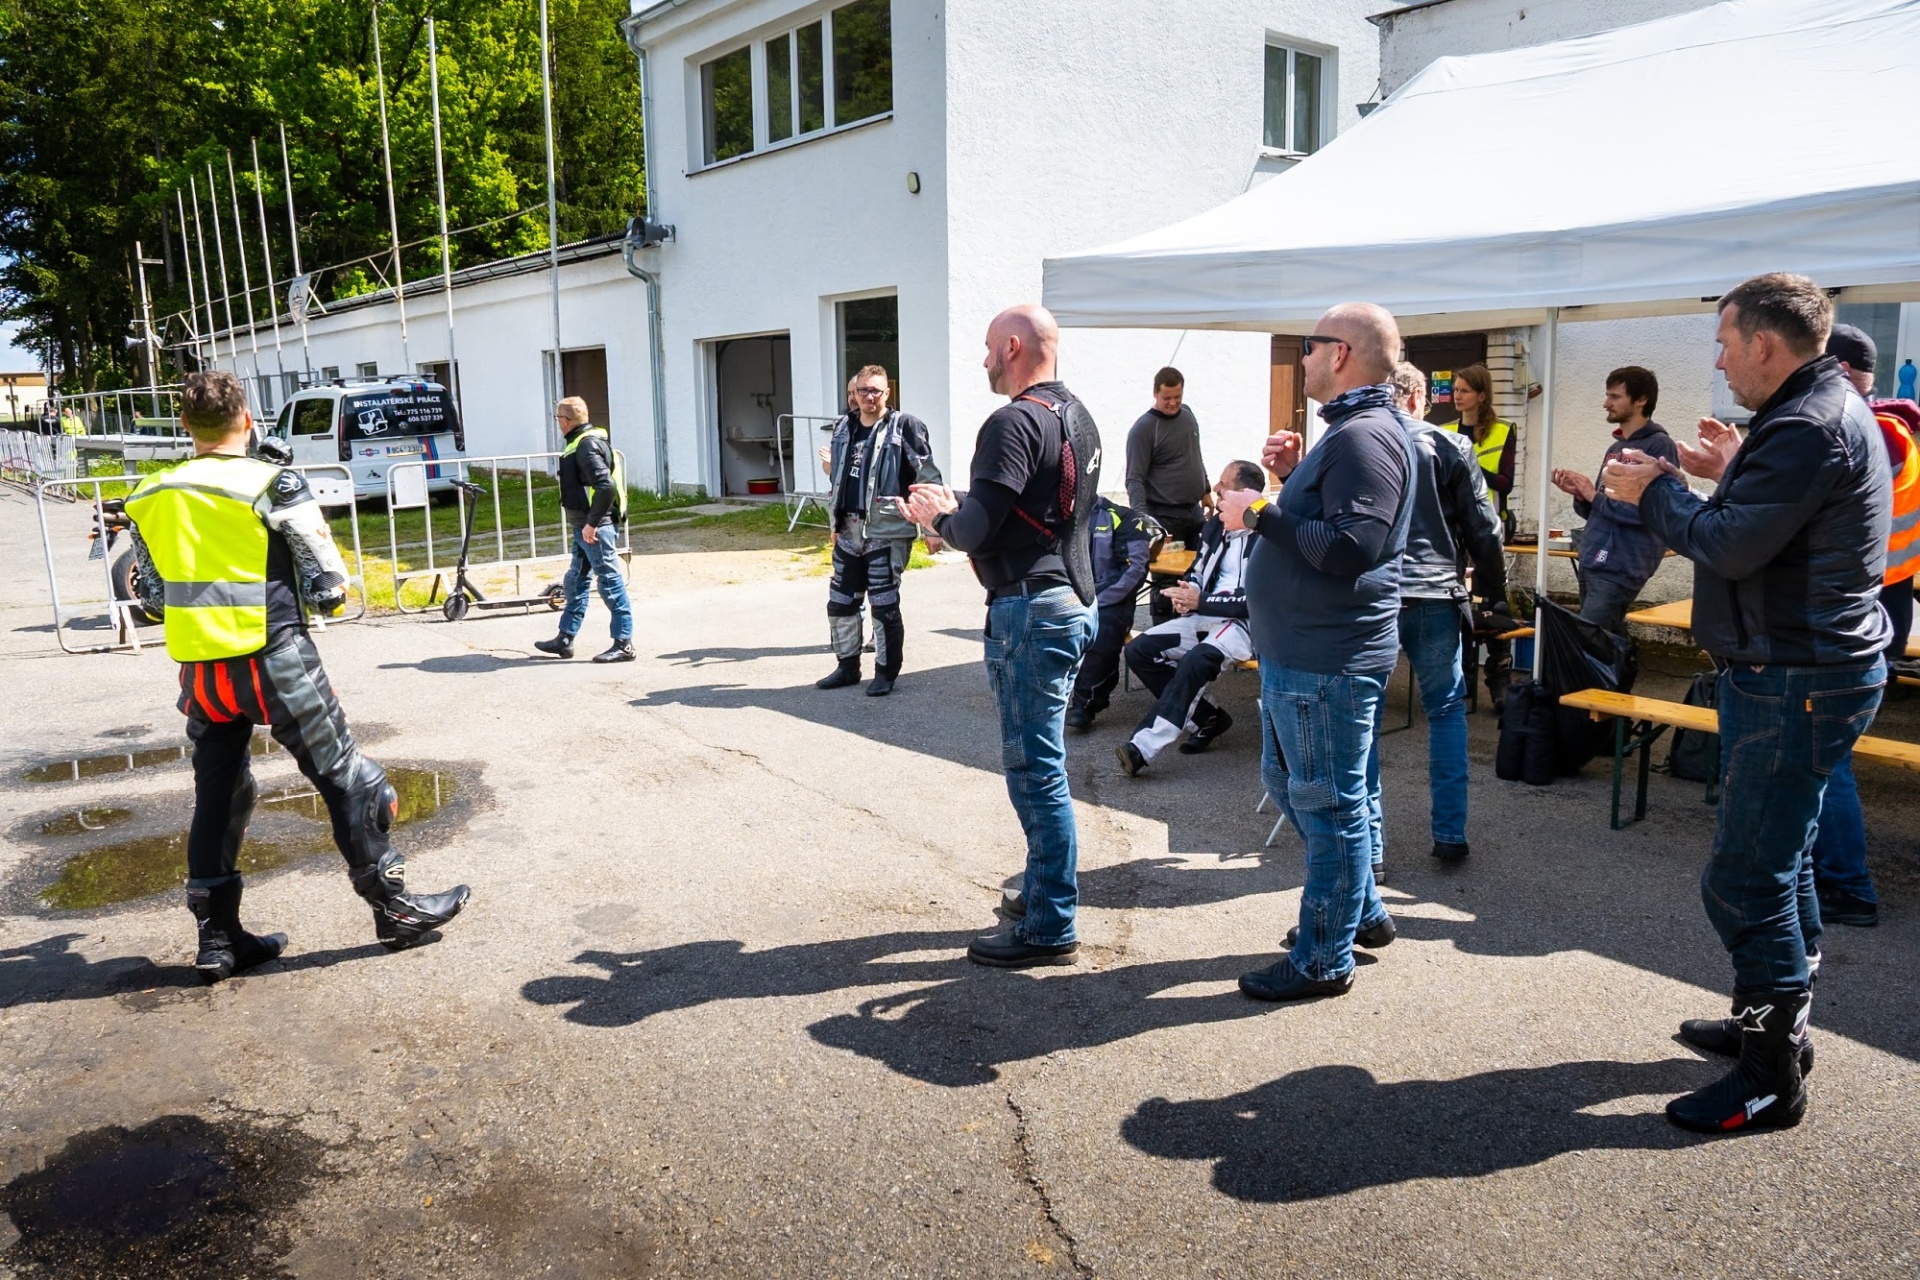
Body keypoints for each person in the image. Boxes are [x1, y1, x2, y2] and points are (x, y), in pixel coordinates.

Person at [1603, 273, 1890, 1134]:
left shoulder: (1807, 424)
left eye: (1725, 344)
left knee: (1743, 879)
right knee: (1784, 860)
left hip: (1795, 679)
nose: (1720, 362)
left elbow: (1729, 548)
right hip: (1800, 671)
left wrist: (1653, 491)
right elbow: (1772, 527)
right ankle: (1774, 1026)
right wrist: (1716, 475)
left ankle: (1770, 1077)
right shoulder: (1817, 411)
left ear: (1765, 342)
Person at [121, 371, 470, 982]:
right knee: (351, 780)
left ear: (185, 425)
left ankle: (218, 940)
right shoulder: (271, 482)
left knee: (220, 797)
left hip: (201, 670)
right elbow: (329, 585)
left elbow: (150, 599)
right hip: (275, 657)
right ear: (247, 419)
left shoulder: (148, 493)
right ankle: (395, 910)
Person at [1216, 303, 1414, 1002]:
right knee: (1295, 787)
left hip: (1326, 659)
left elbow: (1353, 548)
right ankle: (1363, 912)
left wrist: (1259, 513)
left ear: (1340, 353)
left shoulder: (1365, 436)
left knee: (1330, 808)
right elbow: (1339, 521)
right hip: (1304, 654)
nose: (1301, 358)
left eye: (1309, 346)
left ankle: (1324, 957)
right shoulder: (1353, 434)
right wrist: (1297, 478)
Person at [899, 304, 1098, 968]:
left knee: (1036, 774)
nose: (984, 360)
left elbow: (976, 529)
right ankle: (1043, 893)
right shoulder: (1076, 415)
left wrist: (939, 519)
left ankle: (1049, 925)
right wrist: (959, 507)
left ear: (1013, 347)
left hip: (1032, 609)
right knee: (1044, 767)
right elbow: (1033, 506)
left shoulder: (1012, 421)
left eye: (989, 348)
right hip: (1071, 600)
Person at [1800, 323, 1920, 929]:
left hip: (1855, 619)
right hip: (1879, 612)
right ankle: (1831, 875)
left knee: (1829, 760)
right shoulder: (1893, 430)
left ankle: (1849, 886)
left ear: (1839, 370)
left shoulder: (1869, 432)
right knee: (1828, 756)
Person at [1382, 360, 1506, 865]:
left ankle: (1368, 850)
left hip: (1377, 593)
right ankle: (1450, 834)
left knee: (1363, 718)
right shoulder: (1450, 444)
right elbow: (1485, 528)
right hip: (1434, 591)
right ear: (1417, 398)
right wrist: (1495, 595)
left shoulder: (1360, 442)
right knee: (1447, 710)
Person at [1114, 461, 1261, 775]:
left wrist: (1201, 600)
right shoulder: (1216, 525)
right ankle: (1208, 718)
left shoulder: (1267, 536)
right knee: (1139, 650)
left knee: (1197, 660)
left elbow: (1258, 602)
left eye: (1223, 485)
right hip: (1206, 617)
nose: (1215, 489)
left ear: (1244, 495)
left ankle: (1141, 748)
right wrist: (1188, 592)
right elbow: (1197, 571)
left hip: (1247, 627)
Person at [813, 365, 942, 697]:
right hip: (849, 529)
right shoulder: (844, 427)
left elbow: (927, 476)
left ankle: (885, 673)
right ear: (854, 393)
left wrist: (934, 527)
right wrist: (835, 525)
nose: (869, 396)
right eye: (863, 390)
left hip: (887, 530)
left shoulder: (905, 426)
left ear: (887, 393)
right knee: (841, 602)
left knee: (883, 605)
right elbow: (838, 478)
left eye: (876, 391)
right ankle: (847, 668)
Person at [1550, 366, 1677, 635]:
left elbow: (1649, 512)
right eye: (1608, 395)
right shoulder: (1615, 448)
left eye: (1615, 396)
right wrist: (1580, 494)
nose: (1606, 403)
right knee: (1605, 641)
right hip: (1593, 557)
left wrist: (1592, 494)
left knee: (1588, 638)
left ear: (1641, 400)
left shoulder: (1660, 447)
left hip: (1622, 565)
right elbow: (1599, 510)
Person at [534, 397, 635, 663]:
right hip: (584, 527)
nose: (558, 423)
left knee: (609, 583)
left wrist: (592, 523)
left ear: (566, 421)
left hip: (595, 528)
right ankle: (565, 639)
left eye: (558, 418)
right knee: (575, 581)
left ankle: (624, 644)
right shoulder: (582, 442)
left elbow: (605, 486)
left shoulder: (586, 446)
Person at [1448, 362, 1517, 700]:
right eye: (1455, 390)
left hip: (1487, 531)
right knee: (1458, 605)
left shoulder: (1502, 430)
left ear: (1481, 395)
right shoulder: (1444, 430)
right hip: (1453, 531)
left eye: (1464, 390)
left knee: (1495, 605)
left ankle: (1499, 678)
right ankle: (1462, 676)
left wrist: (1471, 467)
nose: (1457, 396)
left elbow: (1506, 483)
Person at [1126, 367, 1210, 623]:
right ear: (1155, 393)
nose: (1173, 403)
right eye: (1167, 398)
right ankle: (1161, 633)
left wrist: (1206, 490)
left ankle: (1193, 629)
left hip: (1193, 512)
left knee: (1199, 574)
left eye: (1177, 397)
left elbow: (1195, 455)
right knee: (1166, 582)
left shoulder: (1188, 415)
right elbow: (1134, 479)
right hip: (1164, 516)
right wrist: (1144, 522)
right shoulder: (1144, 428)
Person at [1066, 495, 1154, 731]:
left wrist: (1092, 599)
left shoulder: (1124, 518)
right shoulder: (1052, 515)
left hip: (1110, 601)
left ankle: (1084, 703)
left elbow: (1135, 570)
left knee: (1102, 632)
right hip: (1065, 594)